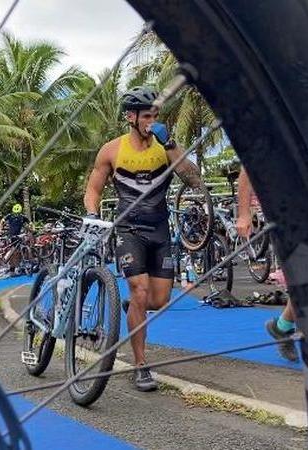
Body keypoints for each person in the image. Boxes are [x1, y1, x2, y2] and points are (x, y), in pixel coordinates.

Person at [84, 86, 205, 391]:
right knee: (139, 291)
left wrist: (172, 144)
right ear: (131, 117)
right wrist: (93, 214)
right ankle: (141, 365)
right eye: (147, 115)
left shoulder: (166, 147)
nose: (152, 120)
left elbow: (192, 179)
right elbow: (94, 189)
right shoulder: (112, 150)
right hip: (129, 231)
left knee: (159, 300)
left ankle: (133, 308)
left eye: (156, 115)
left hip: (160, 230)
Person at [236, 169, 298, 362]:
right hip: (287, 213)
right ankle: (284, 327)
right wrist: (244, 214)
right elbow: (247, 169)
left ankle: (282, 326)